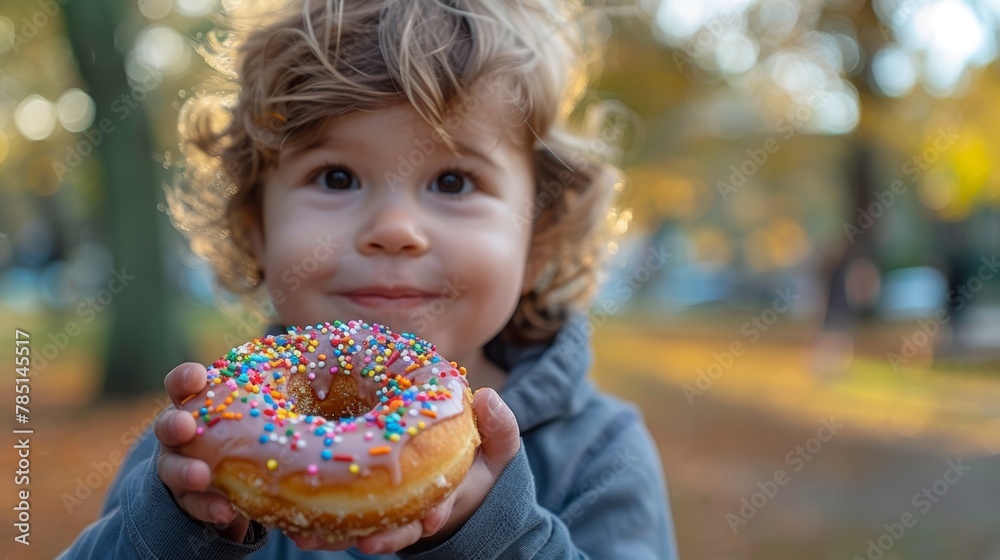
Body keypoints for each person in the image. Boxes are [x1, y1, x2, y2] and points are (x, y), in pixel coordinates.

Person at [62, 0, 677, 557]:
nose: (393, 228)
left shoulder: (599, 454)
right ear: (256, 227)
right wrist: (174, 531)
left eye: (453, 181)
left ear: (537, 237)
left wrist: (491, 534)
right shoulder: (194, 445)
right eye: (336, 177)